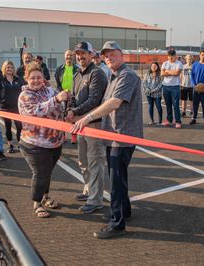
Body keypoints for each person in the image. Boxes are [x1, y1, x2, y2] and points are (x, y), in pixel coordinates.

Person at [71, 41, 143, 239]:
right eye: (106, 55)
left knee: (116, 181)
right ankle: (124, 212)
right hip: (113, 135)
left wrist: (87, 117)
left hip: (122, 136)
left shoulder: (127, 75)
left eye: (113, 54)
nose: (109, 57)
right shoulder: (113, 76)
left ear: (122, 55)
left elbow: (114, 102)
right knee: (119, 178)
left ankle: (117, 224)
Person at [18, 62, 69, 218]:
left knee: (48, 172)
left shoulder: (50, 90)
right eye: (32, 78)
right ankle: (37, 204)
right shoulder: (25, 96)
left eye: (38, 77)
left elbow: (60, 109)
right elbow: (35, 112)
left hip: (55, 141)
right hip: (34, 143)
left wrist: (68, 109)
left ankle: (45, 197)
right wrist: (56, 100)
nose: (36, 80)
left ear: (43, 78)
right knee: (41, 173)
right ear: (26, 78)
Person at [66, 41, 108, 214]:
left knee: (95, 162)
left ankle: (96, 200)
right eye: (78, 53)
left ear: (92, 55)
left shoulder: (97, 74)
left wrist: (74, 111)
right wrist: (70, 109)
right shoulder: (77, 75)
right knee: (83, 162)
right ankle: (88, 190)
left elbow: (94, 100)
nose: (80, 56)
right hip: (80, 126)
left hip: (94, 125)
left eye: (84, 53)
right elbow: (74, 98)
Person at [55, 50, 79, 144]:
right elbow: (57, 83)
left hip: (74, 95)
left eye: (71, 55)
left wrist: (72, 92)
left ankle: (73, 136)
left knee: (73, 116)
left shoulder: (77, 69)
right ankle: (63, 135)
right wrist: (62, 92)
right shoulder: (59, 69)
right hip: (63, 95)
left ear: (74, 57)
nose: (69, 57)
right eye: (67, 55)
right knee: (62, 116)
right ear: (64, 57)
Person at [0, 60, 24, 153]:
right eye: (7, 67)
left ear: (13, 69)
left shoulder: (18, 79)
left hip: (16, 107)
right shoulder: (1, 79)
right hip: (5, 107)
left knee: (19, 126)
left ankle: (20, 144)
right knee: (8, 127)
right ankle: (10, 145)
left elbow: (23, 90)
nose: (9, 69)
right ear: (4, 69)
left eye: (11, 67)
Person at [161, 49, 183, 128]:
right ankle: (169, 120)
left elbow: (177, 73)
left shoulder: (179, 63)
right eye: (169, 56)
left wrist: (167, 71)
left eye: (172, 56)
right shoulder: (165, 63)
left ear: (175, 56)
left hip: (175, 87)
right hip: (166, 86)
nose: (170, 58)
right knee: (168, 105)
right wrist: (171, 72)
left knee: (176, 105)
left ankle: (178, 121)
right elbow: (162, 73)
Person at [190, 50, 204, 126]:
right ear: (199, 55)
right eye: (202, 55)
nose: (203, 56)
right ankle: (194, 118)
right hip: (196, 88)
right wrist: (194, 85)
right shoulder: (195, 64)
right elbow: (192, 76)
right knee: (195, 104)